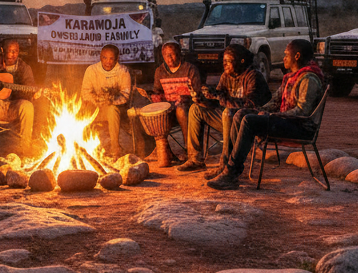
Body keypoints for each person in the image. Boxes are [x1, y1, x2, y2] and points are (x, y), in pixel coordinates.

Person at [206, 38, 325, 190]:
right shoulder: (292, 77)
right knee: (241, 113)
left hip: (301, 128)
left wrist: (271, 116)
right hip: (289, 122)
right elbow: (275, 101)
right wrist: (259, 111)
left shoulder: (309, 78)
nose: (283, 58)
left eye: (286, 54)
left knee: (249, 121)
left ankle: (231, 173)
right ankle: (229, 169)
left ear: (297, 56)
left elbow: (302, 112)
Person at [181, 44, 271, 171]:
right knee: (195, 109)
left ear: (242, 61)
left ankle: (225, 165)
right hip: (227, 120)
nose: (225, 64)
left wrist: (219, 97)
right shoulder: (225, 76)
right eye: (223, 61)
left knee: (228, 113)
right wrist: (202, 99)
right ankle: (195, 159)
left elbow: (250, 105)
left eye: (229, 61)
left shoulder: (253, 76)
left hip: (247, 124)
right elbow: (217, 103)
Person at [132, 41, 202, 164]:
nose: (169, 58)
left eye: (172, 54)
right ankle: (162, 151)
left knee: (181, 110)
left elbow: (197, 94)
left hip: (187, 108)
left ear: (179, 54)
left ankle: (189, 150)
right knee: (143, 114)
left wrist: (185, 97)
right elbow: (157, 91)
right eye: (166, 55)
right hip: (168, 109)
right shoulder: (160, 71)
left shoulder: (190, 69)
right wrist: (154, 96)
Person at [80, 43, 148, 160]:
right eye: (104, 58)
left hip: (116, 110)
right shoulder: (91, 70)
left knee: (112, 111)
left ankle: (115, 150)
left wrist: (111, 101)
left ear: (117, 59)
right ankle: (82, 151)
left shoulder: (123, 71)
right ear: (100, 57)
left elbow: (125, 95)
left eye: (111, 58)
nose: (107, 61)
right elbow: (85, 93)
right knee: (78, 113)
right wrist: (97, 100)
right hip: (96, 108)